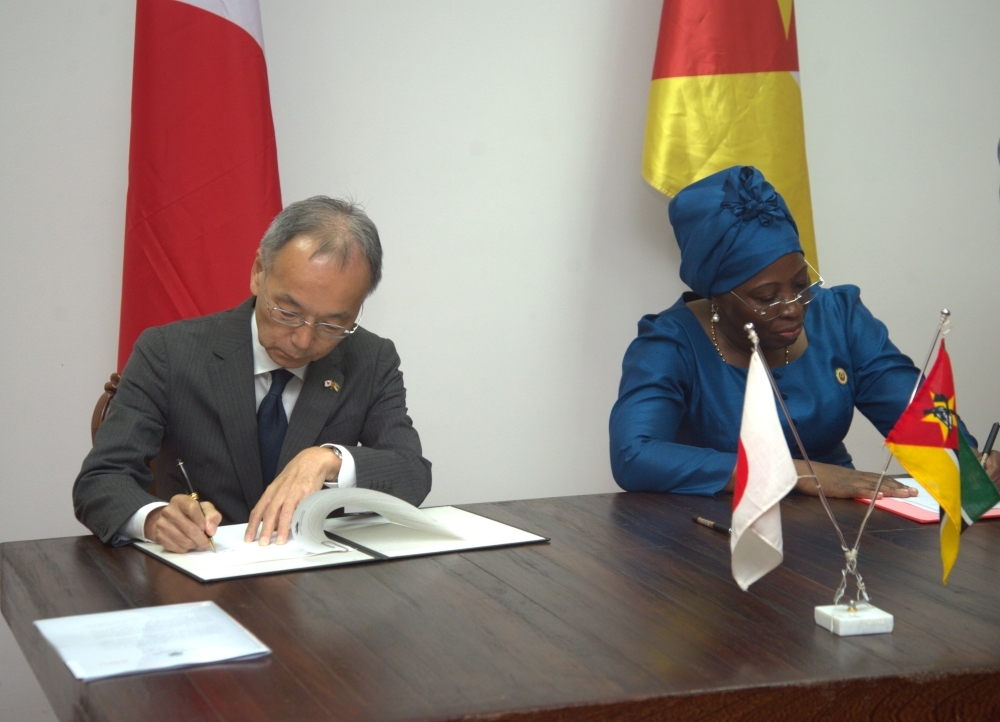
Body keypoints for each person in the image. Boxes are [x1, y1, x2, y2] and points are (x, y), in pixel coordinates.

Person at [610, 166, 1000, 498]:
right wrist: (795, 473)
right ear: (717, 296)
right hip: (719, 533)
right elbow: (634, 456)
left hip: (839, 526)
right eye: (767, 297)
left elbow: (914, 415)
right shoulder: (670, 344)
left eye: (801, 285)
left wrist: (966, 462)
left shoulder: (838, 316)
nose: (794, 308)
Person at [74, 197, 431, 552]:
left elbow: (413, 475)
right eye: (287, 313)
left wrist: (329, 459)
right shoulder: (169, 352)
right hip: (201, 567)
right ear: (259, 271)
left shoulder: (370, 359)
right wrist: (155, 519)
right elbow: (101, 480)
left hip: (315, 572)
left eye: (332, 324)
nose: (303, 340)